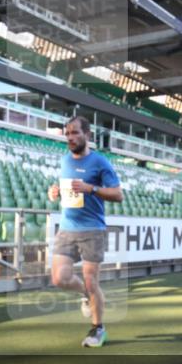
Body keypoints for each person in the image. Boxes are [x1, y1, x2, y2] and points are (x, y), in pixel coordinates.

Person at [47, 116, 122, 348]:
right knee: (59, 278)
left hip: (92, 230)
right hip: (67, 228)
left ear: (87, 135)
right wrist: (55, 192)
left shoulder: (101, 162)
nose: (70, 137)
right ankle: (85, 295)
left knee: (92, 282)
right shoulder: (64, 161)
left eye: (75, 133)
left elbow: (118, 195)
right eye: (67, 133)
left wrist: (92, 188)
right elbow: (67, 191)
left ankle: (98, 329)